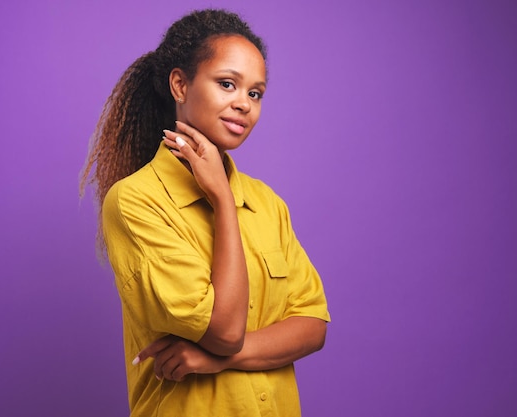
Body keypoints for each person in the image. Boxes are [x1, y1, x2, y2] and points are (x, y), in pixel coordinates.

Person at [80, 9, 330, 417]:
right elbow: (225, 332)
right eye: (227, 84)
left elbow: (313, 326)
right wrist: (222, 201)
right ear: (180, 84)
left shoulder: (268, 203)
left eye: (255, 93)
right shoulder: (135, 202)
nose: (244, 105)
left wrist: (219, 359)